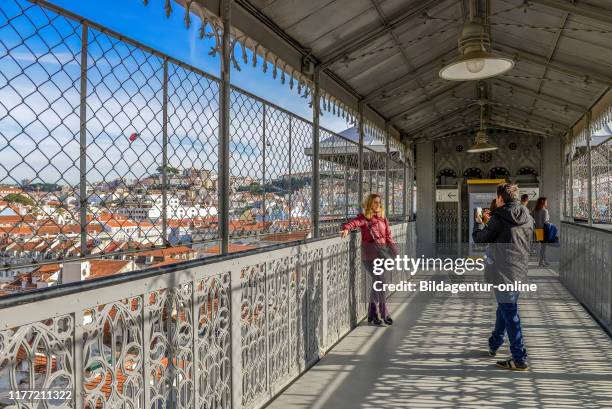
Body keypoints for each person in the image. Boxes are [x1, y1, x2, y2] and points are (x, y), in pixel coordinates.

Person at [473, 183, 533, 371]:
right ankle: (494, 344)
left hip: (501, 272)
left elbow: (480, 239)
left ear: (500, 198)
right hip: (519, 270)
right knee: (505, 308)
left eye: (496, 196)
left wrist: (479, 223)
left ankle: (519, 358)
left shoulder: (499, 217)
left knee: (510, 313)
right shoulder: (527, 216)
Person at [341, 193, 398, 326]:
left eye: (379, 202)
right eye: (375, 202)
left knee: (376, 284)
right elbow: (354, 223)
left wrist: (395, 252)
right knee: (381, 282)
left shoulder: (383, 219)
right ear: (369, 204)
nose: (378, 204)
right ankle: (384, 313)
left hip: (382, 255)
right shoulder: (364, 218)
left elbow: (388, 236)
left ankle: (372, 314)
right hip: (370, 257)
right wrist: (346, 229)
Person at [533, 197, 550, 267]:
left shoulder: (535, 210)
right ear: (543, 202)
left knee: (542, 247)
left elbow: (532, 219)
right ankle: (540, 262)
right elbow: (545, 221)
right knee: (544, 247)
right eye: (546, 201)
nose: (547, 202)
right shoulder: (545, 211)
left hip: (538, 230)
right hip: (544, 230)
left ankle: (544, 261)